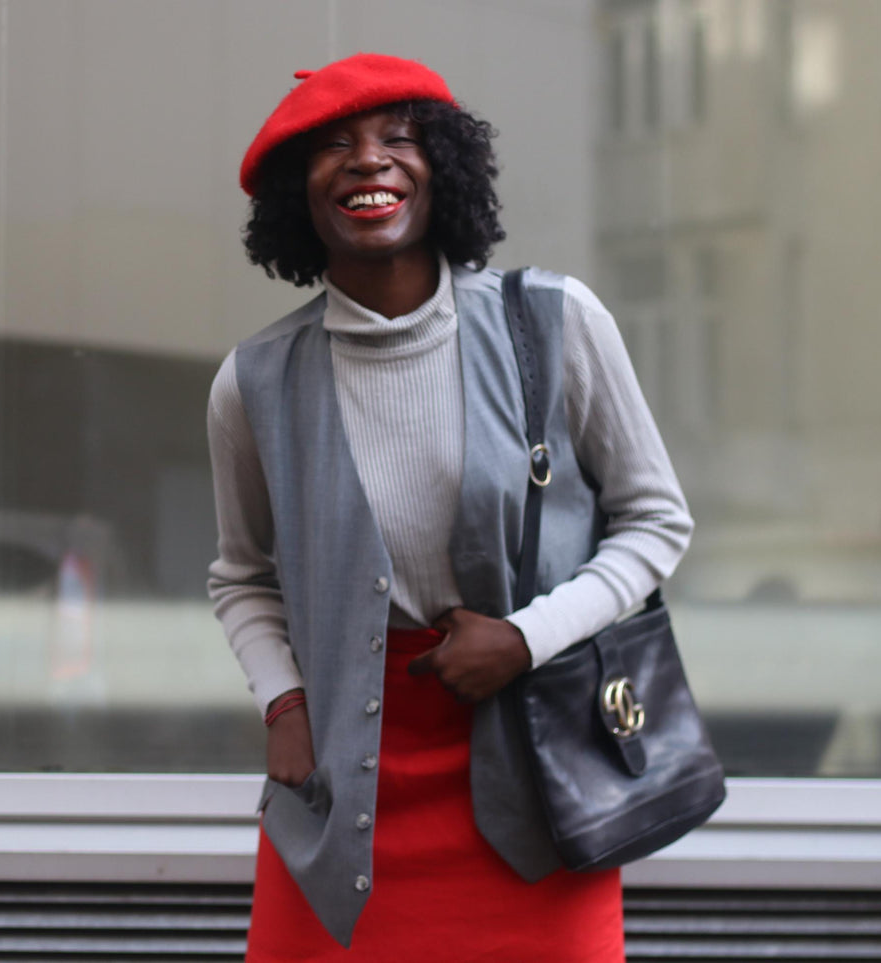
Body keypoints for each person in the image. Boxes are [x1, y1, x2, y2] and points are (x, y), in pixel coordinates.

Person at [206, 54, 694, 961]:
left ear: (445, 167)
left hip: (537, 775)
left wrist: (525, 637)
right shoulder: (254, 381)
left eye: (398, 137)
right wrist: (283, 705)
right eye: (333, 146)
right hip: (339, 788)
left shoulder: (553, 322)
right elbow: (242, 577)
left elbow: (655, 519)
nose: (368, 159)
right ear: (294, 192)